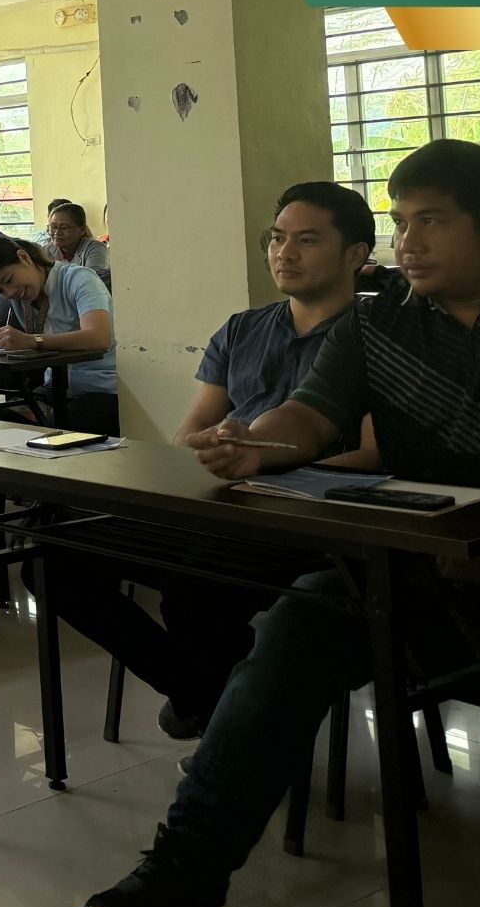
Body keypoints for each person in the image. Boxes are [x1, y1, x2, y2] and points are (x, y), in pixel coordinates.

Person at [83, 140, 480, 907]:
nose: (408, 242)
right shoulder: (380, 322)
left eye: (431, 221)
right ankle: (187, 873)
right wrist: (255, 444)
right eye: (402, 222)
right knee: (296, 622)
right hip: (415, 560)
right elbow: (311, 414)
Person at [33, 183, 376, 745]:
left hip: (305, 519)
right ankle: (214, 701)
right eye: (277, 238)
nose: (284, 253)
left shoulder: (375, 337)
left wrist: (263, 464)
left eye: (308, 240)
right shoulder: (243, 328)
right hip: (220, 499)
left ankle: (223, 715)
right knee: (56, 559)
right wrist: (210, 446)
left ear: (356, 254)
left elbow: (370, 455)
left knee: (195, 592)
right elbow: (189, 433)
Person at [0, 235, 119, 435]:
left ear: (24, 257)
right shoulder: (12, 293)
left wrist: (31, 341)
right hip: (53, 387)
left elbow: (98, 338)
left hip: (101, 388)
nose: (10, 292)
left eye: (9, 280)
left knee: (65, 427)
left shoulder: (79, 279)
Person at [47, 201, 111, 284]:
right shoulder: (46, 251)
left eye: (64, 227)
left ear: (82, 229)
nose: (57, 232)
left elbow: (90, 282)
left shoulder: (95, 249)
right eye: (53, 227)